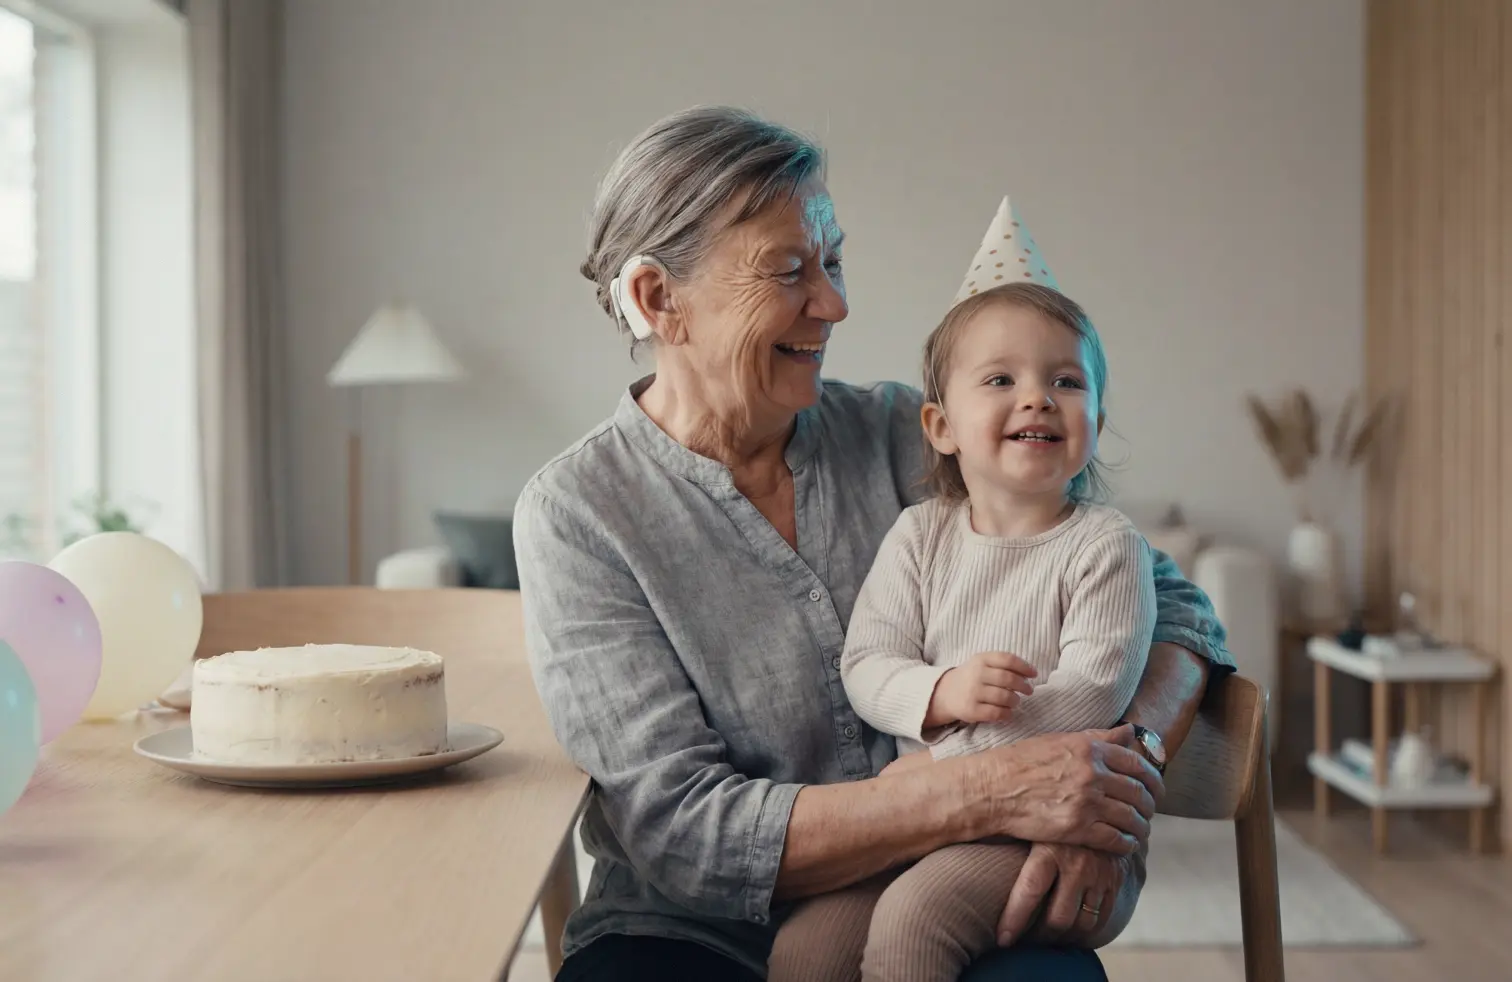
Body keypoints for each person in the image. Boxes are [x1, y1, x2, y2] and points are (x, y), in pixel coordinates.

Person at [514, 105, 1234, 982]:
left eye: (834, 259)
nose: (836, 303)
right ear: (661, 300)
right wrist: (990, 791)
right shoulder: (578, 512)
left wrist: (1114, 795)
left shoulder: (903, 431)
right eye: (789, 269)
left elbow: (1183, 610)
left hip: (950, 888)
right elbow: (684, 833)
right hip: (685, 932)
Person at [768, 276, 1156, 982]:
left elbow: (1090, 696)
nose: (1038, 397)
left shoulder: (1106, 546)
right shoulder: (920, 536)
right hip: (928, 819)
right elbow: (867, 663)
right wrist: (939, 690)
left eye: (1067, 381)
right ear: (941, 428)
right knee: (806, 948)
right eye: (1002, 377)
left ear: (1097, 416)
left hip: (1053, 824)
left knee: (915, 921)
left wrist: (947, 768)